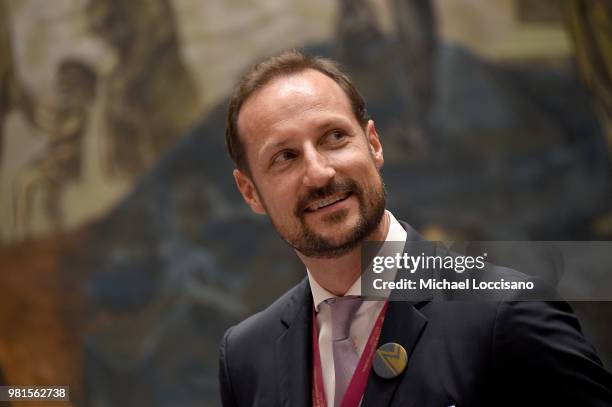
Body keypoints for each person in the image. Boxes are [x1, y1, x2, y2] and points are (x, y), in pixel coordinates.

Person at [218, 51, 612, 407]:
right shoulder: (245, 357)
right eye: (285, 157)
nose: (319, 173)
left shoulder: (506, 311)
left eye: (334, 137)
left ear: (373, 144)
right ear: (250, 192)